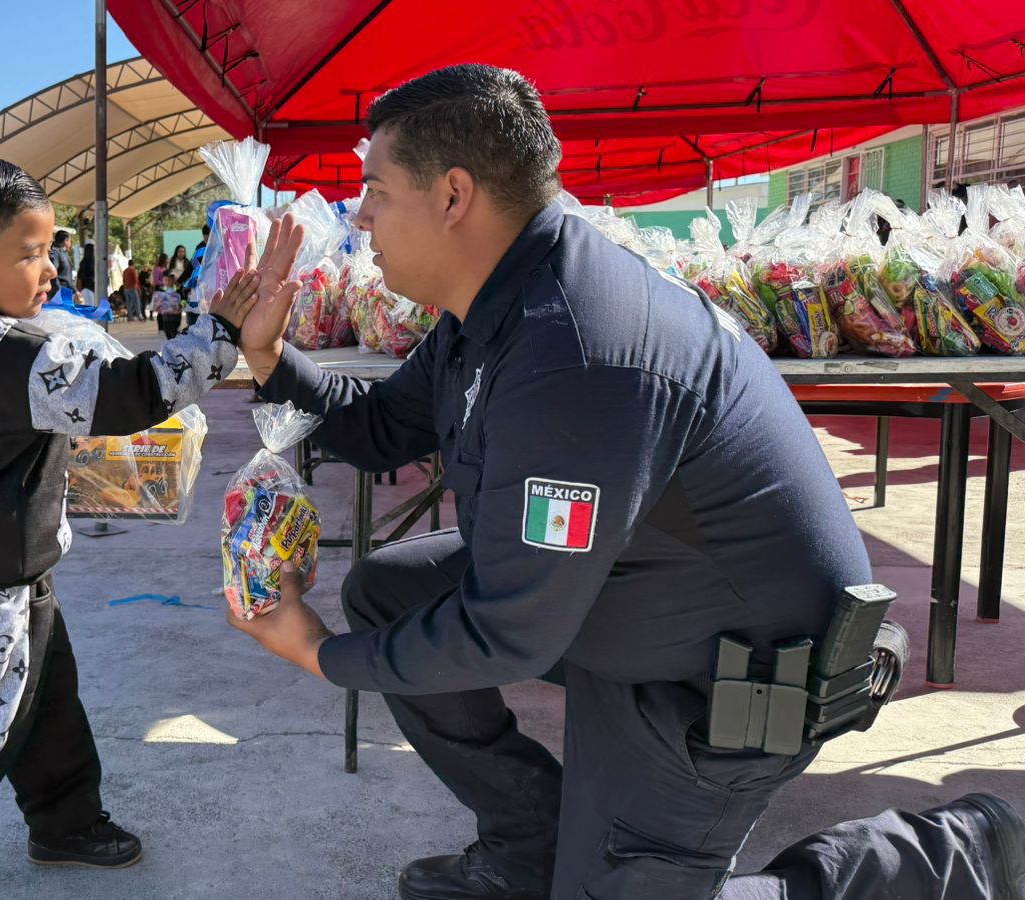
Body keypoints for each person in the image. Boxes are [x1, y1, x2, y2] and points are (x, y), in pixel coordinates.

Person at [227, 64, 1025, 900]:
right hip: (635, 608)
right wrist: (270, 357)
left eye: (376, 190)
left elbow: (509, 630)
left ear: (453, 195)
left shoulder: (572, 346)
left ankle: (947, 855)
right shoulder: (496, 304)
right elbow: (384, 426)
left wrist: (323, 657)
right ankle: (530, 848)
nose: (360, 217)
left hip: (729, 682)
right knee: (394, 596)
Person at [0, 153, 266, 900]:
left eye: (49, 249)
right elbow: (133, 396)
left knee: (44, 702)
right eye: (32, 254)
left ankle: (64, 822)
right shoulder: (7, 359)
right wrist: (224, 331)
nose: (50, 270)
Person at [183, 225, 209, 328]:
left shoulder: (218, 245)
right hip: (199, 282)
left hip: (212, 282)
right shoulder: (200, 247)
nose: (207, 239)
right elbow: (192, 265)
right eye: (205, 236)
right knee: (195, 308)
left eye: (209, 236)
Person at [153, 272, 183, 339]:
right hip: (165, 315)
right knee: (167, 332)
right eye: (165, 280)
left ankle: (173, 346)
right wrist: (157, 306)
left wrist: (180, 307)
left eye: (169, 280)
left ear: (173, 280)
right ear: (163, 281)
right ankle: (170, 344)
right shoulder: (161, 291)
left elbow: (183, 300)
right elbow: (156, 303)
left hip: (175, 315)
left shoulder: (178, 290)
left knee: (173, 331)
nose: (168, 282)